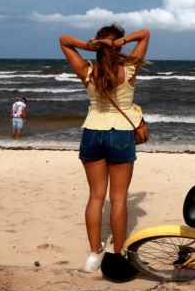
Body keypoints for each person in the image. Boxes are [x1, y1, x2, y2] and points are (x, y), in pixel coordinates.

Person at [59, 23, 150, 274]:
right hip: (121, 133)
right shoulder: (129, 69)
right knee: (118, 198)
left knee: (96, 197)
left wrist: (88, 46)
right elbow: (145, 34)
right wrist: (121, 42)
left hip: (92, 132)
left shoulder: (88, 71)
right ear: (118, 45)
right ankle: (118, 253)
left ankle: (94, 254)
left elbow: (64, 40)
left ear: (97, 46)